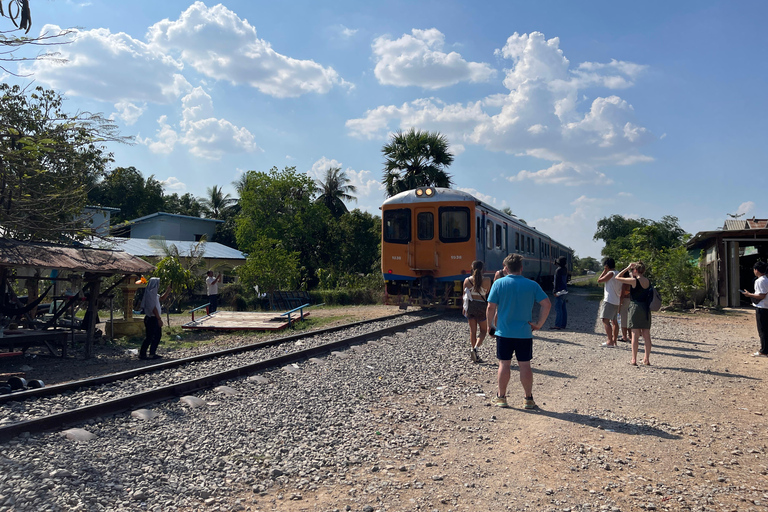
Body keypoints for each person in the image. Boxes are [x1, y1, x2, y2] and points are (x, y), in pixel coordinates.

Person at [487, 253, 551, 409]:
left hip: (504, 333)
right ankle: (528, 399)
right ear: (521, 268)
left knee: (504, 364)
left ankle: (501, 397)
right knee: (525, 365)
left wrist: (490, 325)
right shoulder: (532, 285)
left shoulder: (498, 284)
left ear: (506, 269)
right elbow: (546, 304)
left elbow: (490, 307)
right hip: (524, 333)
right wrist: (538, 324)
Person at [616, 261, 652, 366]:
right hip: (646, 308)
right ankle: (647, 359)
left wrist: (627, 268)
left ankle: (634, 359)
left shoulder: (634, 281)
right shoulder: (648, 281)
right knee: (646, 335)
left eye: (633, 270)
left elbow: (618, 277)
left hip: (635, 307)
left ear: (635, 270)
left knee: (635, 334)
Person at [139, 277, 172, 360]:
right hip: (152, 318)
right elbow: (153, 308)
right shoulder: (150, 294)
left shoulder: (154, 294)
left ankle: (151, 353)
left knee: (156, 336)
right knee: (150, 337)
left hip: (154, 318)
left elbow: (161, 298)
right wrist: (159, 319)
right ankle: (143, 354)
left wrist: (168, 290)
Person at [463, 260, 489, 362]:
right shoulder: (487, 280)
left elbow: (464, 296)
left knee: (472, 331)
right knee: (483, 331)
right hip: (481, 306)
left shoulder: (466, 281)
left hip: (470, 306)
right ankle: (475, 349)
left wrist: (464, 309)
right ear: (483, 269)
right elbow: (487, 293)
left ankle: (473, 350)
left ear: (472, 268)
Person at [741, 261, 768, 357]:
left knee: (762, 330)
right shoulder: (766, 279)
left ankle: (764, 351)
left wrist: (749, 295)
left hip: (762, 307)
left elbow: (761, 295)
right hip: (766, 307)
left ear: (756, 270)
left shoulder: (760, 281)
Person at [597, 257, 623, 346]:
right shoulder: (618, 273)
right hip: (616, 300)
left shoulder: (610, 273)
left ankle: (609, 340)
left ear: (607, 266)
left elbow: (599, 280)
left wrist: (604, 271)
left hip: (609, 300)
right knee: (614, 321)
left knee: (605, 320)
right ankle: (614, 340)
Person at [552, 256, 568, 330]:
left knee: (558, 309)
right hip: (564, 290)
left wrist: (555, 291)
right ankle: (563, 324)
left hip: (559, 291)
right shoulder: (565, 269)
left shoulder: (558, 270)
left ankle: (557, 325)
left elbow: (556, 282)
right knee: (563, 308)